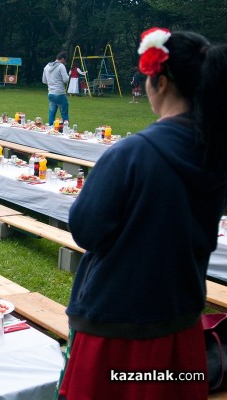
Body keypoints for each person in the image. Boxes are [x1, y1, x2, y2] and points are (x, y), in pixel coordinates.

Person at [57, 28, 227, 400]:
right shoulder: (214, 153)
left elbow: (86, 229)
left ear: (160, 83)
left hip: (117, 326)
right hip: (180, 322)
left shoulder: (133, 153)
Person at [42, 51, 70, 126]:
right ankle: (66, 130)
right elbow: (66, 80)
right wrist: (68, 75)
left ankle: (51, 128)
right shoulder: (61, 66)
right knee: (64, 114)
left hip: (50, 93)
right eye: (65, 61)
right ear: (63, 59)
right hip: (60, 93)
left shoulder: (46, 67)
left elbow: (44, 81)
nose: (65, 63)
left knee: (51, 113)